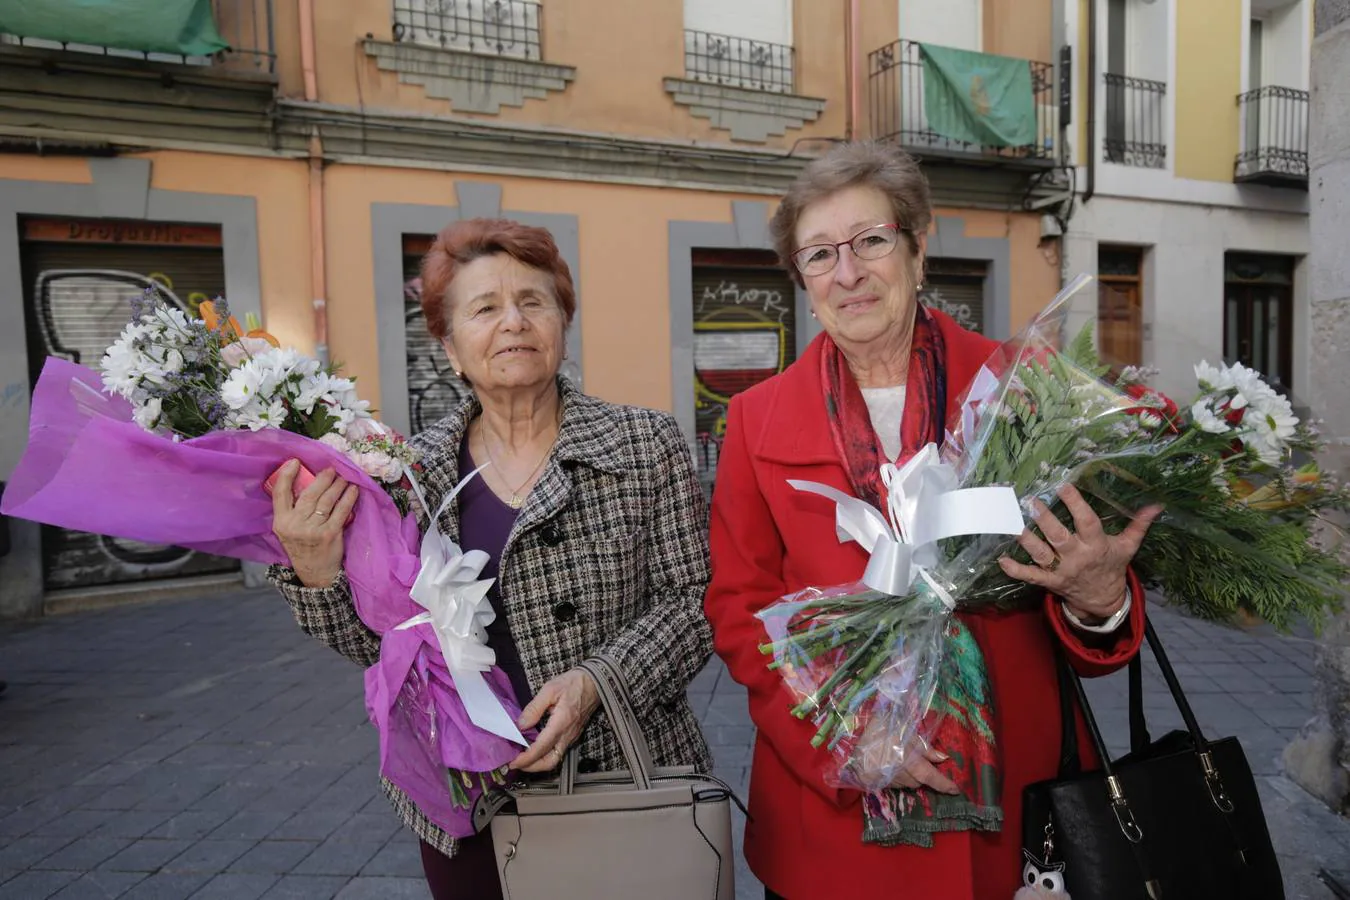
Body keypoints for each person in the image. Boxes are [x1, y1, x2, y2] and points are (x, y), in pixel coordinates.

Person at [703, 142, 1161, 900]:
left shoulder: (1024, 387)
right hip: (834, 828)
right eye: (819, 255)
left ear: (919, 247)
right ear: (802, 280)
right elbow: (739, 611)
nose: (847, 273)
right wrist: (843, 738)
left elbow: (1091, 616)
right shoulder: (755, 421)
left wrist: (1100, 597)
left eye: (871, 241)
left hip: (1016, 805)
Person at [268, 218, 714, 900]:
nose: (514, 323)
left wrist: (599, 681)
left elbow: (694, 603)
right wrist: (315, 571)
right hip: (467, 797)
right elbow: (380, 646)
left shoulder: (645, 443)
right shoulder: (409, 474)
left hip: (627, 776)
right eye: (484, 308)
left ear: (563, 323)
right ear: (448, 347)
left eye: (534, 302)